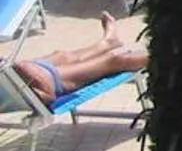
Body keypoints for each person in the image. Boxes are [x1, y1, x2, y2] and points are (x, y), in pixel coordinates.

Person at [10, 13, 146, 104]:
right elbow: (47, 96)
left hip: (31, 71)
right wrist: (22, 70)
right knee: (113, 60)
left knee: (62, 55)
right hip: (51, 80)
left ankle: (108, 42)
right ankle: (163, 54)